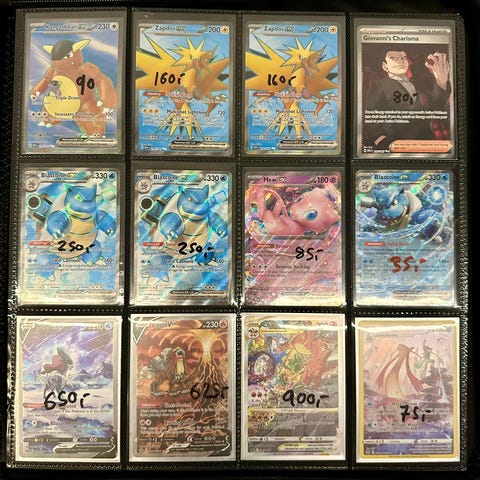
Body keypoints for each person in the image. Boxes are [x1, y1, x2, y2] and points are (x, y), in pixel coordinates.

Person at [363, 48, 452, 151]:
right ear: (385, 66)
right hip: (395, 146)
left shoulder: (419, 85)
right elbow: (370, 115)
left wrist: (442, 81)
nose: (400, 61)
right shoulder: (380, 86)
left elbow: (436, 108)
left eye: (403, 58)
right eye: (393, 58)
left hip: (424, 145)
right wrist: (381, 141)